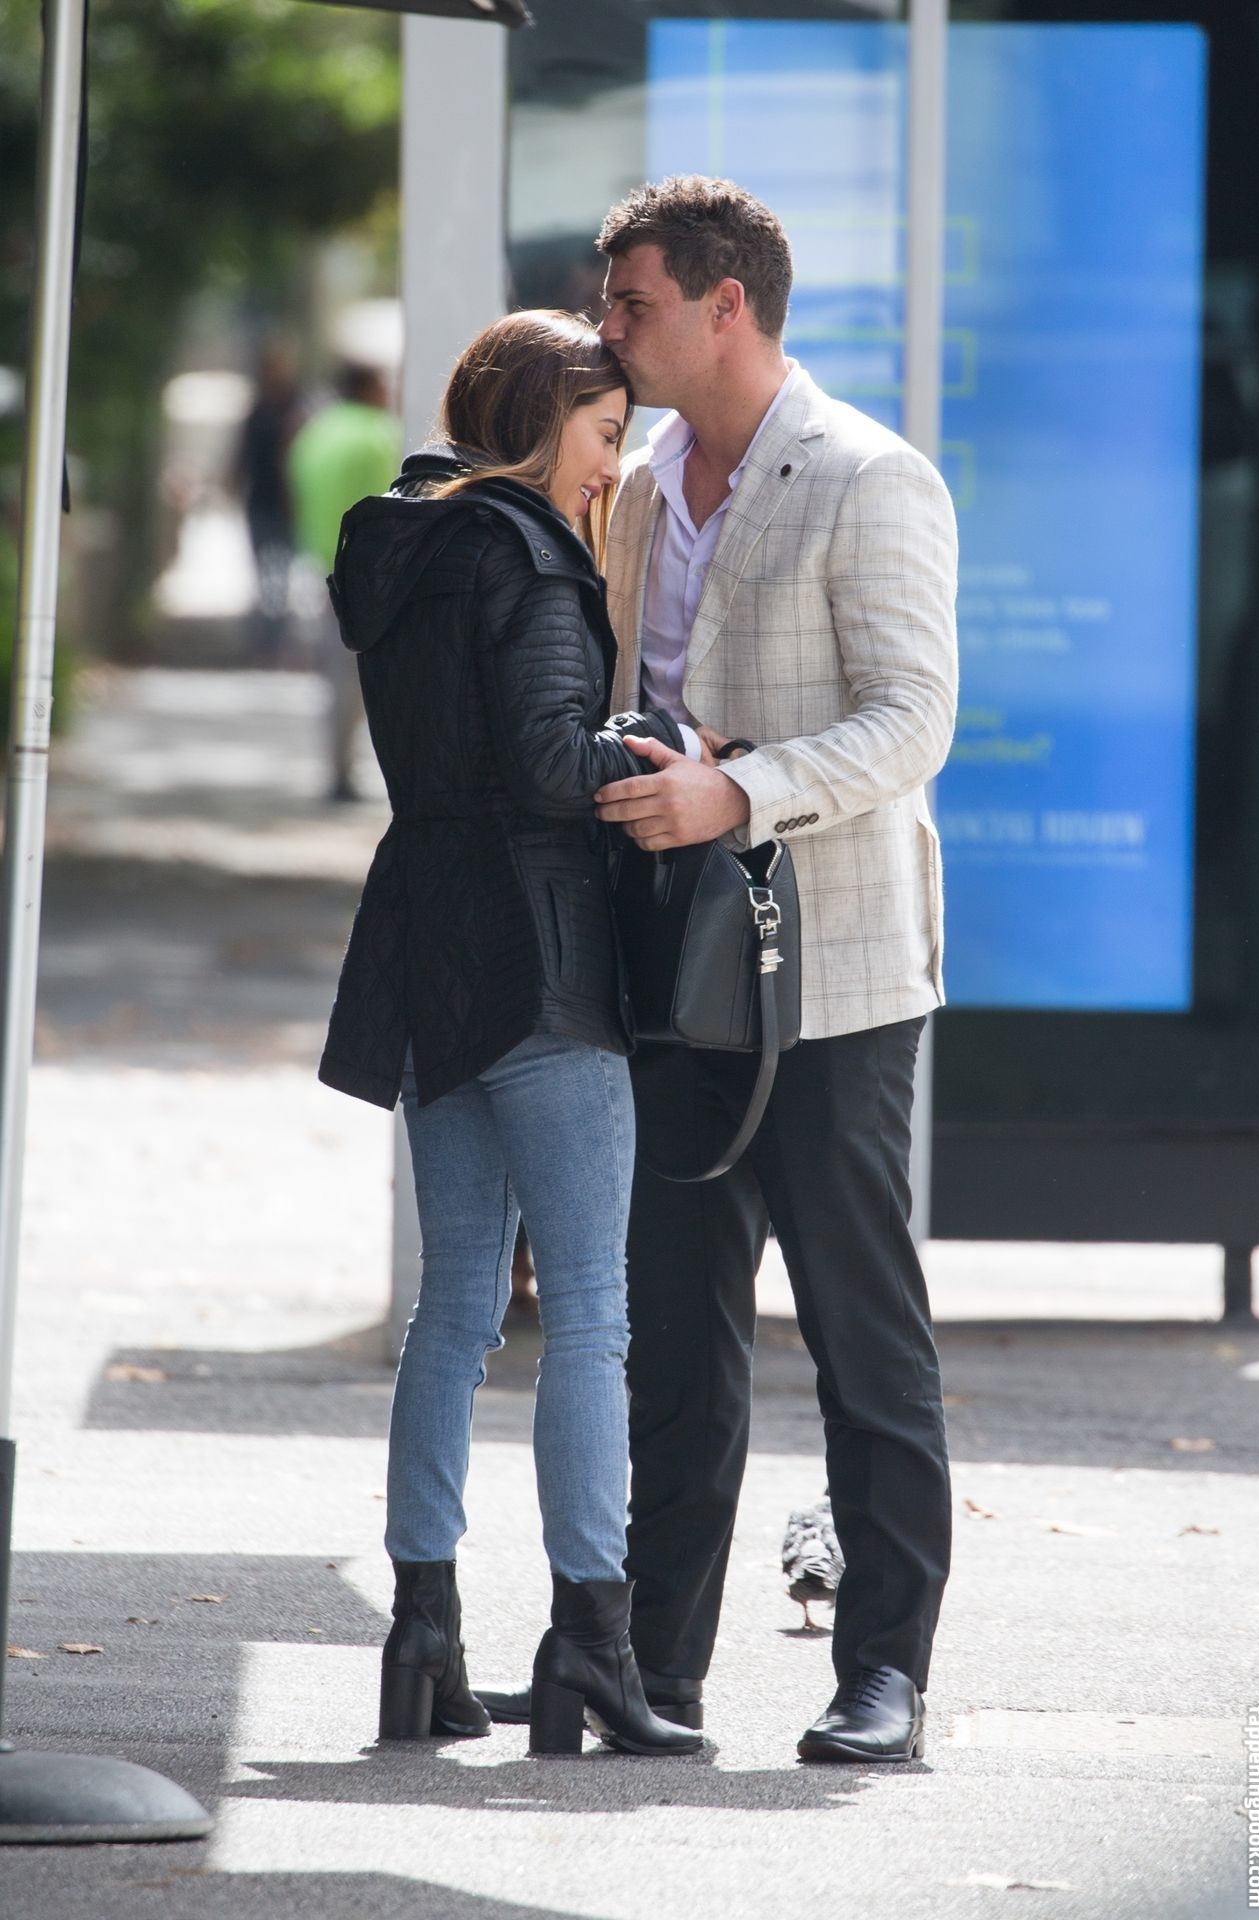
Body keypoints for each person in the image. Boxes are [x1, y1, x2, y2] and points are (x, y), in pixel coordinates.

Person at [590, 176, 959, 1765]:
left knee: (862, 1339)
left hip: (837, 974)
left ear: (725, 305)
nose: (609, 329)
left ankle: (885, 1674)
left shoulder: (870, 475)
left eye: (635, 304)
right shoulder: (635, 483)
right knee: (676, 1341)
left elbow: (912, 719)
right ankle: (656, 1673)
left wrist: (736, 792)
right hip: (670, 966)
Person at [317, 311, 705, 1759]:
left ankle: (421, 1639)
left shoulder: (402, 543)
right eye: (604, 435)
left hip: (428, 951)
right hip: (541, 960)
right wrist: (675, 749)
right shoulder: (528, 556)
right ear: (541, 420)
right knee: (591, 1310)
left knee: (457, 1309)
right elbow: (551, 764)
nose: (612, 467)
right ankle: (593, 1645)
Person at [287, 362, 402, 801]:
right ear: (369, 388)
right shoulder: (378, 435)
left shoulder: (317, 432)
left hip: (325, 566)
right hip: (374, 576)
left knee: (337, 679)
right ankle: (356, 776)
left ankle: (338, 769)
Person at [235, 340, 302, 664]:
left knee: (281, 574)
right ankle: (266, 638)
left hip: (287, 504)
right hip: (260, 501)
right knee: (263, 574)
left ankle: (275, 640)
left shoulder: (295, 409)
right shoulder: (258, 409)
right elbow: (242, 456)